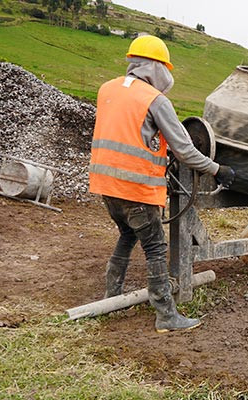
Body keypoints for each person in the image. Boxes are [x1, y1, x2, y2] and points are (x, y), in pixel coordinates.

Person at [88, 35, 235, 333]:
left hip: (105, 185)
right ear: (157, 68)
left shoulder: (107, 89)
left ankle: (111, 296)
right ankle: (166, 315)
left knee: (128, 235)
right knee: (155, 247)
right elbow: (185, 149)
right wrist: (217, 169)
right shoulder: (155, 100)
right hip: (136, 187)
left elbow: (129, 133)